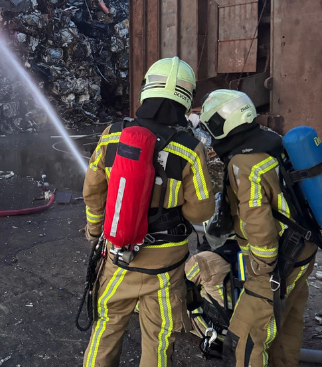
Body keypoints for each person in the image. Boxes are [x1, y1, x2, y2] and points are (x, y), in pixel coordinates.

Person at [83, 56, 215, 367]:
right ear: (186, 99)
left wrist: (94, 232)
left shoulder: (113, 134)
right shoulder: (189, 148)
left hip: (117, 259)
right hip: (166, 269)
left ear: (146, 89)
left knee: (106, 328)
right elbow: (200, 212)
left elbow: (92, 192)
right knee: (159, 340)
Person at [200, 89, 316, 367]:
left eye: (214, 124)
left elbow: (257, 218)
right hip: (305, 248)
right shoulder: (271, 141)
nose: (213, 133)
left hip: (278, 261)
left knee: (246, 338)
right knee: (286, 327)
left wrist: (262, 267)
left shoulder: (244, 161)